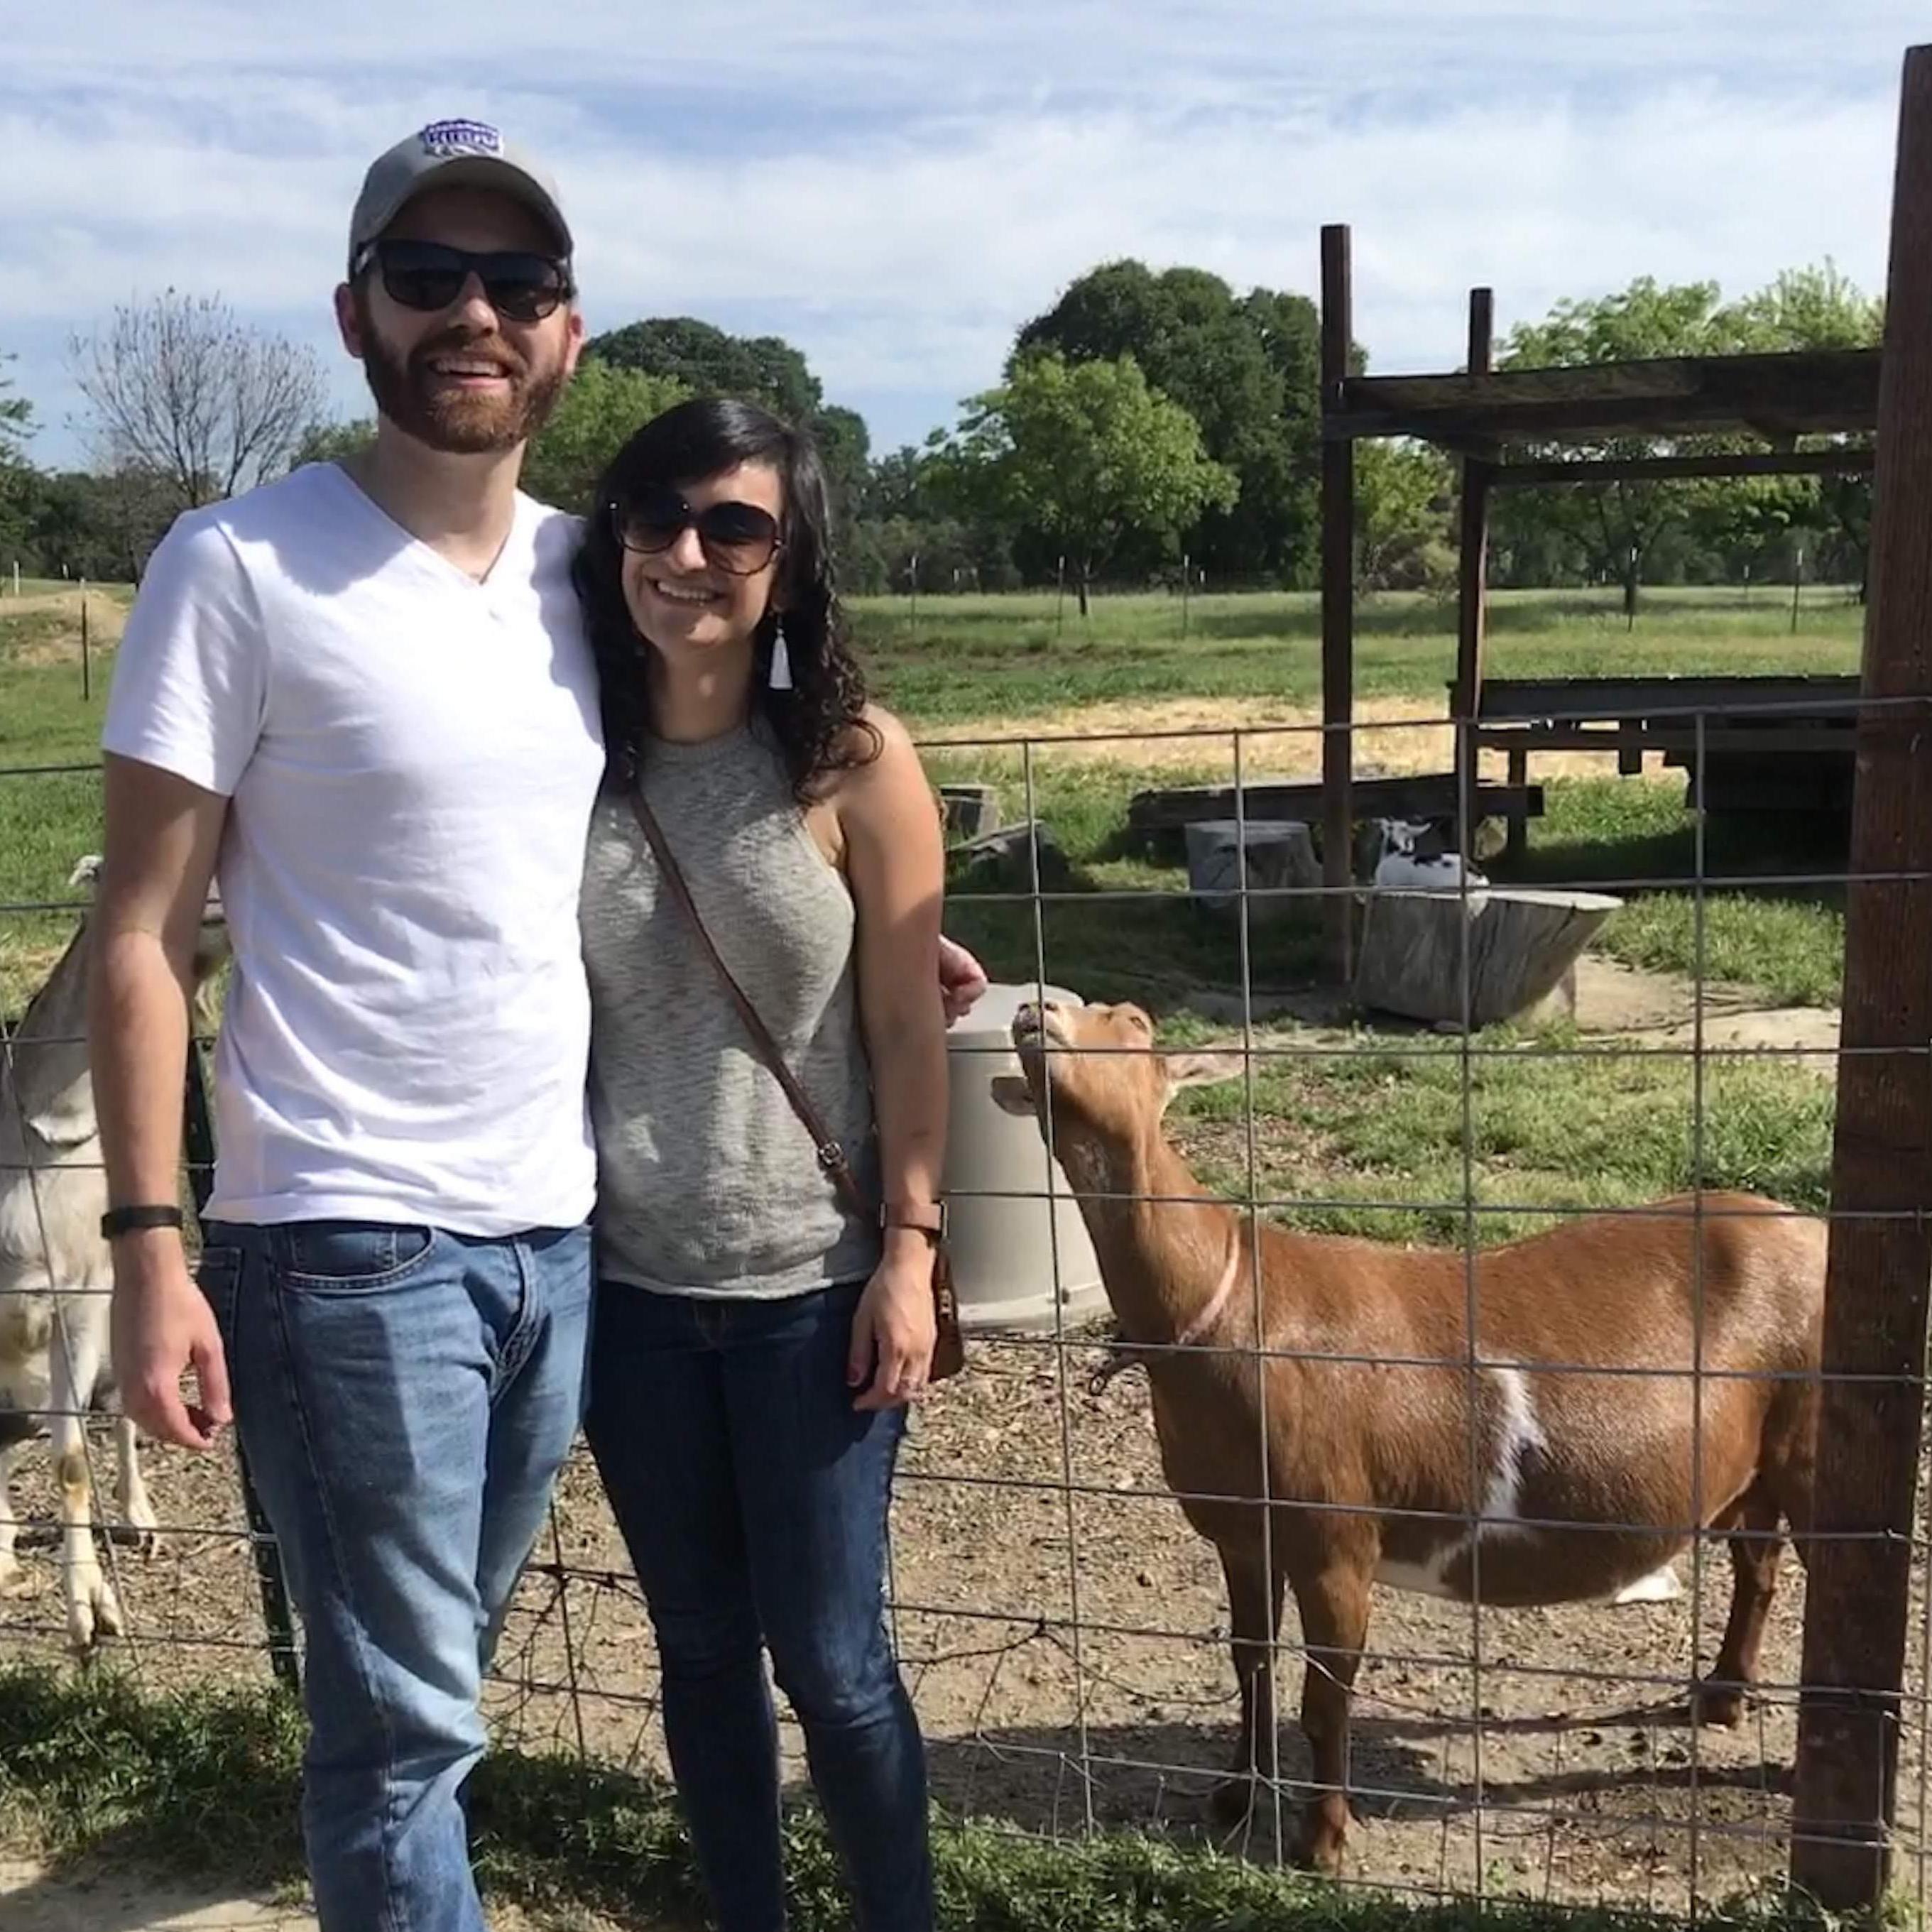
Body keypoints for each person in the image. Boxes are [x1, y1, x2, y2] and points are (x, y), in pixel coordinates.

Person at [90, 122, 984, 1932]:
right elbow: (136, 933)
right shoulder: (236, 565)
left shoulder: (594, 580)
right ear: (356, 314)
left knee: (444, 1685)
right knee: (407, 1724)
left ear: (568, 337)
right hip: (346, 1236)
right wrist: (145, 1245)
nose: (473, 312)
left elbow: (698, 825)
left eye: (516, 283)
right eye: (429, 278)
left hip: (565, 1243)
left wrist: (891, 947)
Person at [575, 395, 943, 1932]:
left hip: (813, 1285)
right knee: (702, 1654)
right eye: (656, 518)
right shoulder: (561, 752)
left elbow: (904, 1023)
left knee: (837, 1664)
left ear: (787, 568)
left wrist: (913, 1250)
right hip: (624, 1290)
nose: (688, 553)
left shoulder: (852, 761)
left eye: (734, 526)